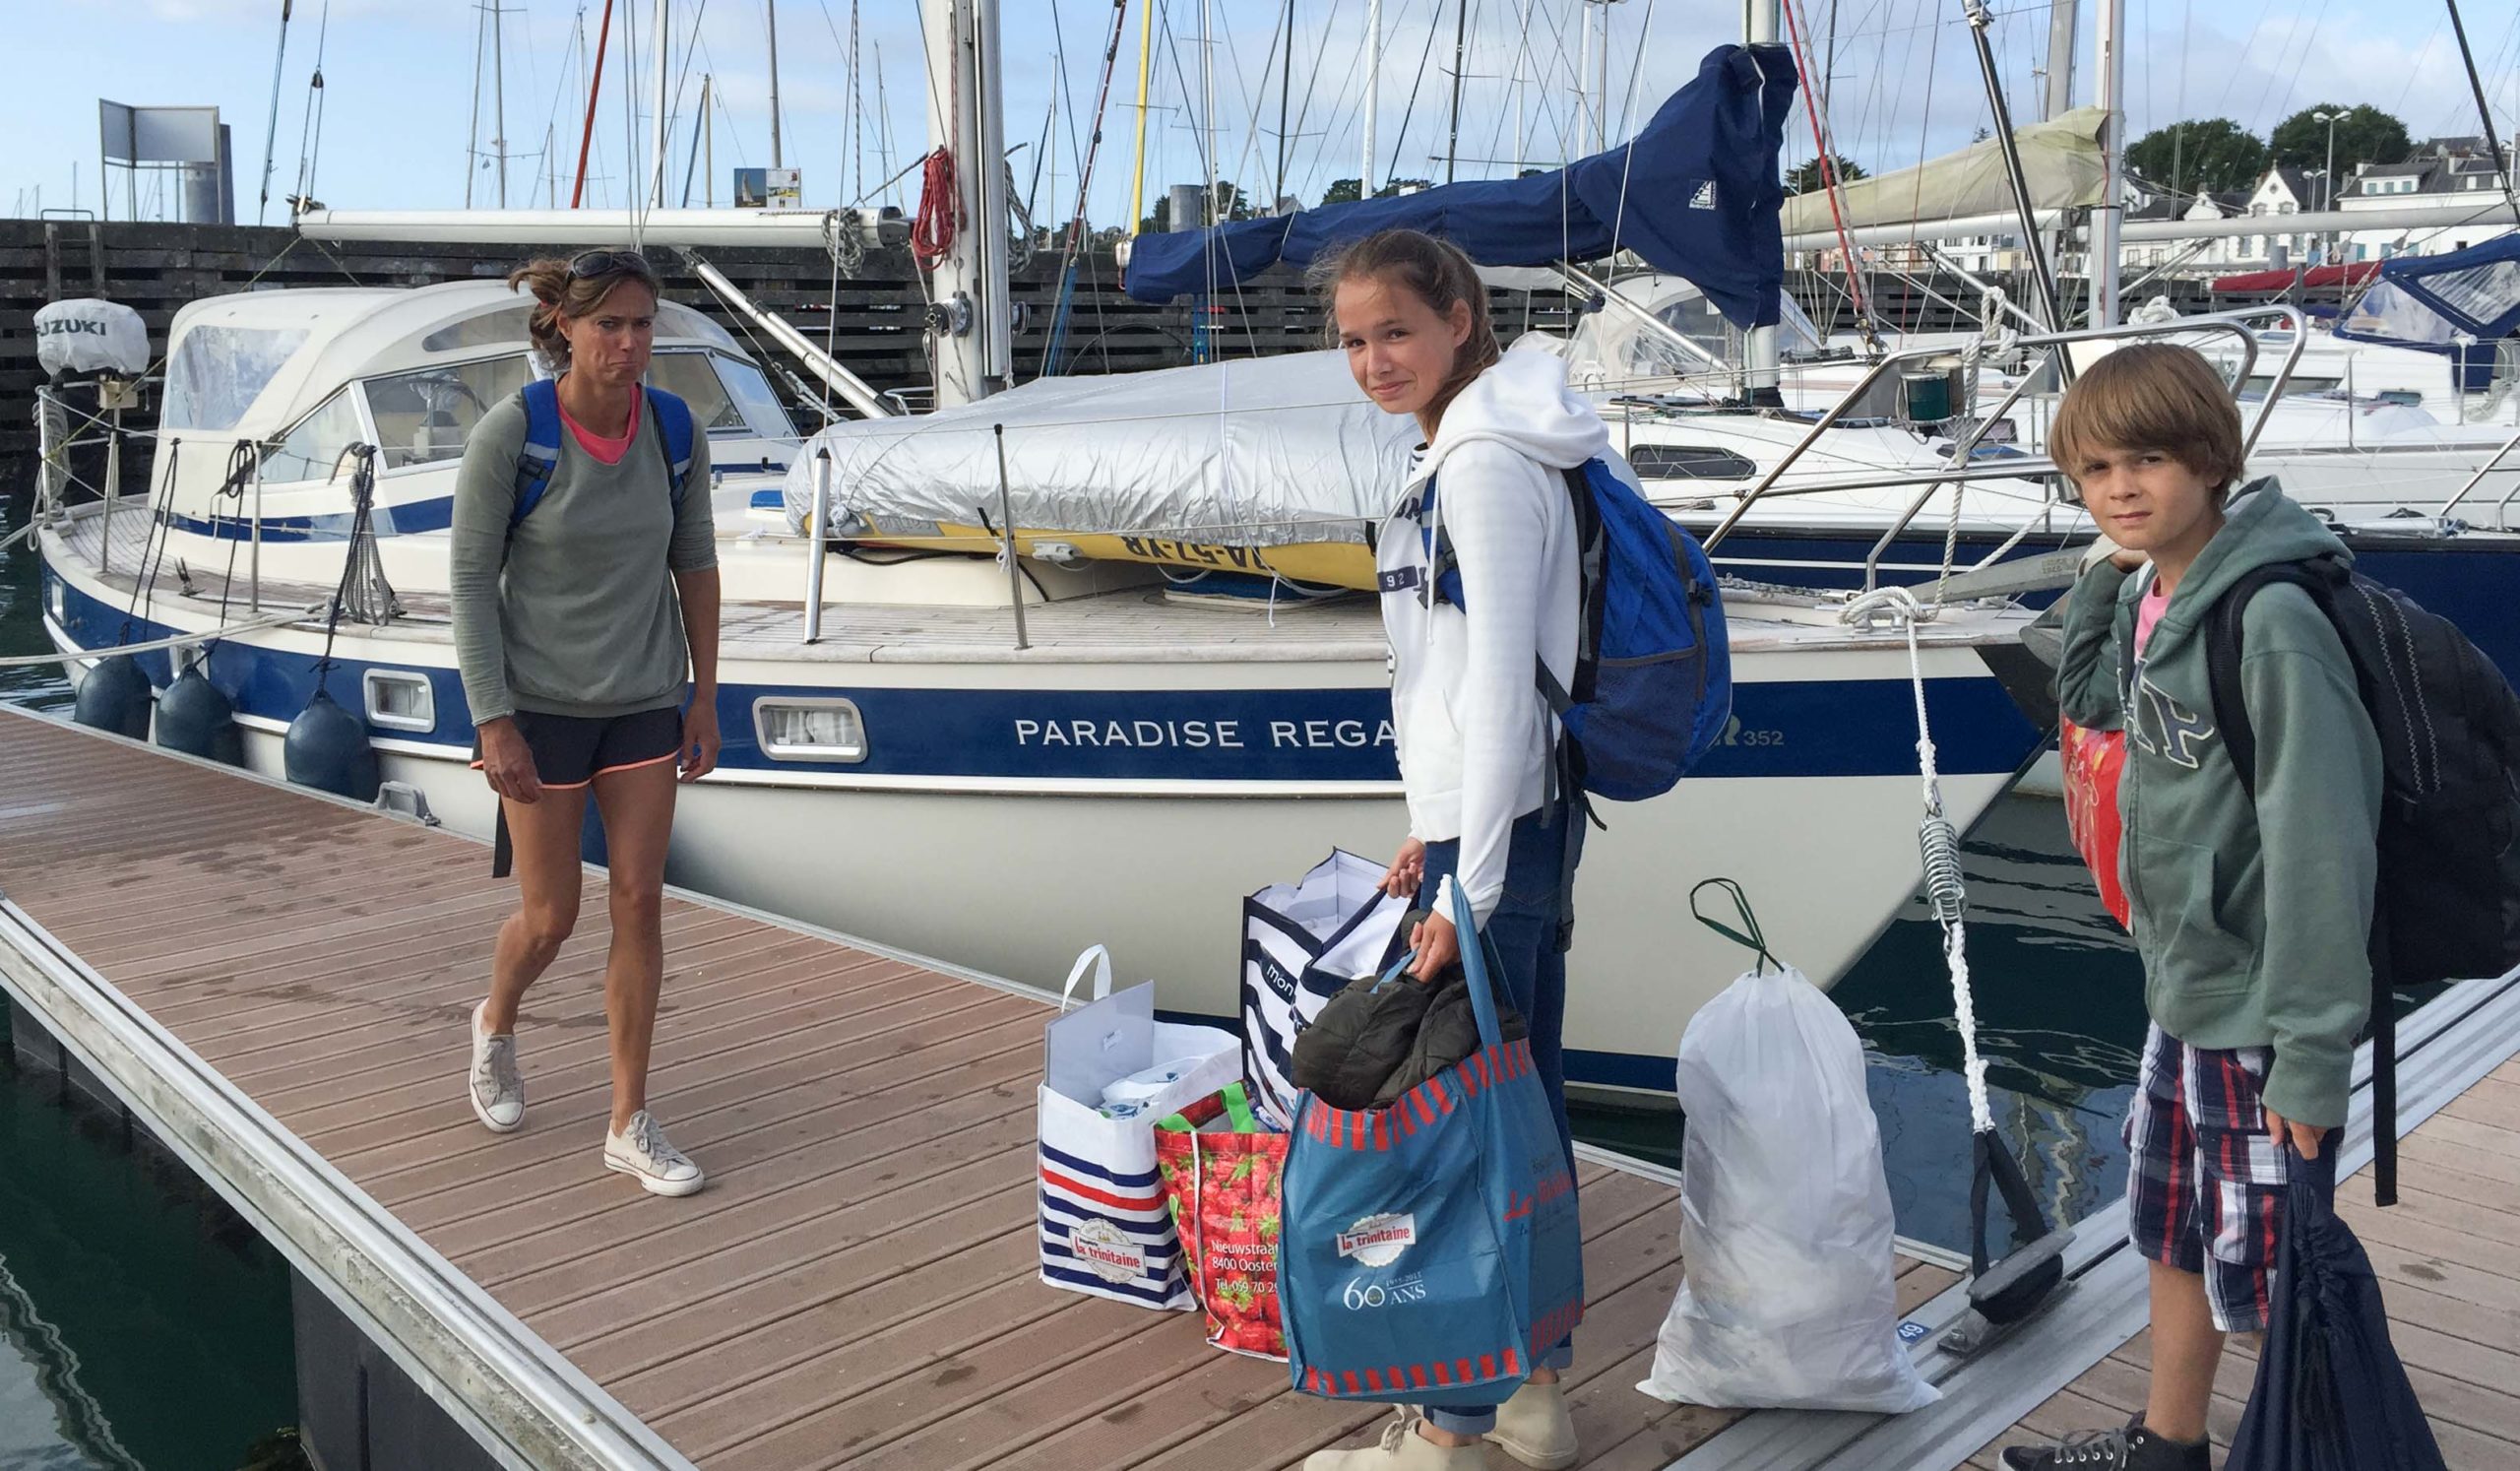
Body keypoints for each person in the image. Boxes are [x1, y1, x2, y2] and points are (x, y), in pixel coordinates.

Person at [2011, 344, 2381, 1470]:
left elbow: (2322, 849)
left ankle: (2305, 1448)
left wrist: (2313, 1052)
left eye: (2150, 460)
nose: (2120, 489)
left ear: (2213, 461)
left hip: (2262, 1009)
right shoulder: (2151, 593)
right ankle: (2170, 1446)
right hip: (2184, 988)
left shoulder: (2269, 621)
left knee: (2270, 1271)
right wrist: (2105, 580)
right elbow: (2082, 702)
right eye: (2094, 469)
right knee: (2176, 1228)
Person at [1305, 227, 1598, 1471]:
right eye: (1355, 339)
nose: (1374, 359)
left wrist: (1463, 890)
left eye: (1396, 333)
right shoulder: (1472, 444)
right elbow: (1463, 678)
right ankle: (1529, 1399)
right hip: (1493, 826)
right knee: (1515, 1102)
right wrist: (1430, 831)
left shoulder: (1479, 460)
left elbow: (1501, 692)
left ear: (1461, 319)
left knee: (1461, 1120)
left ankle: (1452, 1430)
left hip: (1506, 837)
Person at [450, 248, 722, 1198]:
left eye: (645, 325)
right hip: (542, 709)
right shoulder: (512, 435)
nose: (631, 343)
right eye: (611, 324)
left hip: (645, 699)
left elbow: (696, 567)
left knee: (640, 901)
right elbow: (470, 589)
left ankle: (628, 1122)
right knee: (551, 915)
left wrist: (706, 694)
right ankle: (495, 1023)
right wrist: (494, 723)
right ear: (563, 325)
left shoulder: (676, 430)